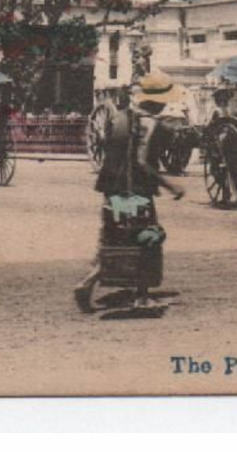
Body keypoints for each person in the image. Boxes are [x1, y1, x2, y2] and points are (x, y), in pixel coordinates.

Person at [74, 71, 186, 312]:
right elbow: (143, 161)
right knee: (147, 237)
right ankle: (142, 296)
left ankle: (87, 282)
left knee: (114, 237)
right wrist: (170, 185)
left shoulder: (120, 118)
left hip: (112, 189)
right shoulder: (151, 124)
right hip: (137, 190)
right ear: (157, 101)